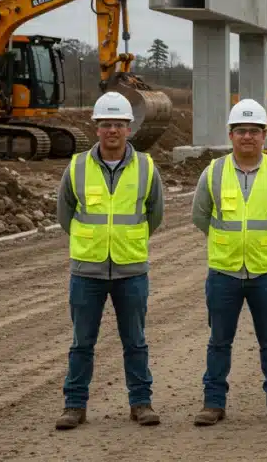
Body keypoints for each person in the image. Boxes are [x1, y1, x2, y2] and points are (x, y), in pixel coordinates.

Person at [54, 91, 165, 430]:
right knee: (82, 342)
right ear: (96, 129)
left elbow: (155, 214)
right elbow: (65, 214)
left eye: (118, 124)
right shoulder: (77, 167)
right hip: (87, 271)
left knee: (135, 341)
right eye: (106, 125)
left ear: (129, 129)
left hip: (130, 270)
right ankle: (74, 406)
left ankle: (141, 403)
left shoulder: (146, 167)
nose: (112, 130)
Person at [190, 98, 267, 427]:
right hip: (223, 272)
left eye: (255, 131)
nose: (248, 137)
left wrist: (265, 241)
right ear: (231, 134)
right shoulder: (213, 172)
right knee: (219, 340)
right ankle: (213, 403)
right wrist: (228, 242)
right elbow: (200, 216)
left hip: (265, 272)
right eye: (241, 131)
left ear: (265, 135)